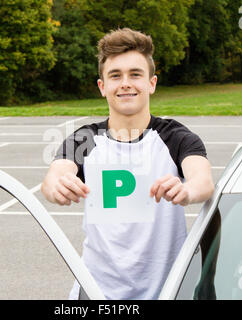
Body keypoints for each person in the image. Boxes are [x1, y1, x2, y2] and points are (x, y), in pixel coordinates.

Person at [41, 28, 214, 300]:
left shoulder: (176, 137)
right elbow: (53, 179)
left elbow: (203, 180)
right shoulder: (85, 139)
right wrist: (58, 186)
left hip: (167, 291)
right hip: (96, 292)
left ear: (151, 83)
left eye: (135, 74)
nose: (126, 83)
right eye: (115, 76)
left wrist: (187, 190)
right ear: (102, 87)